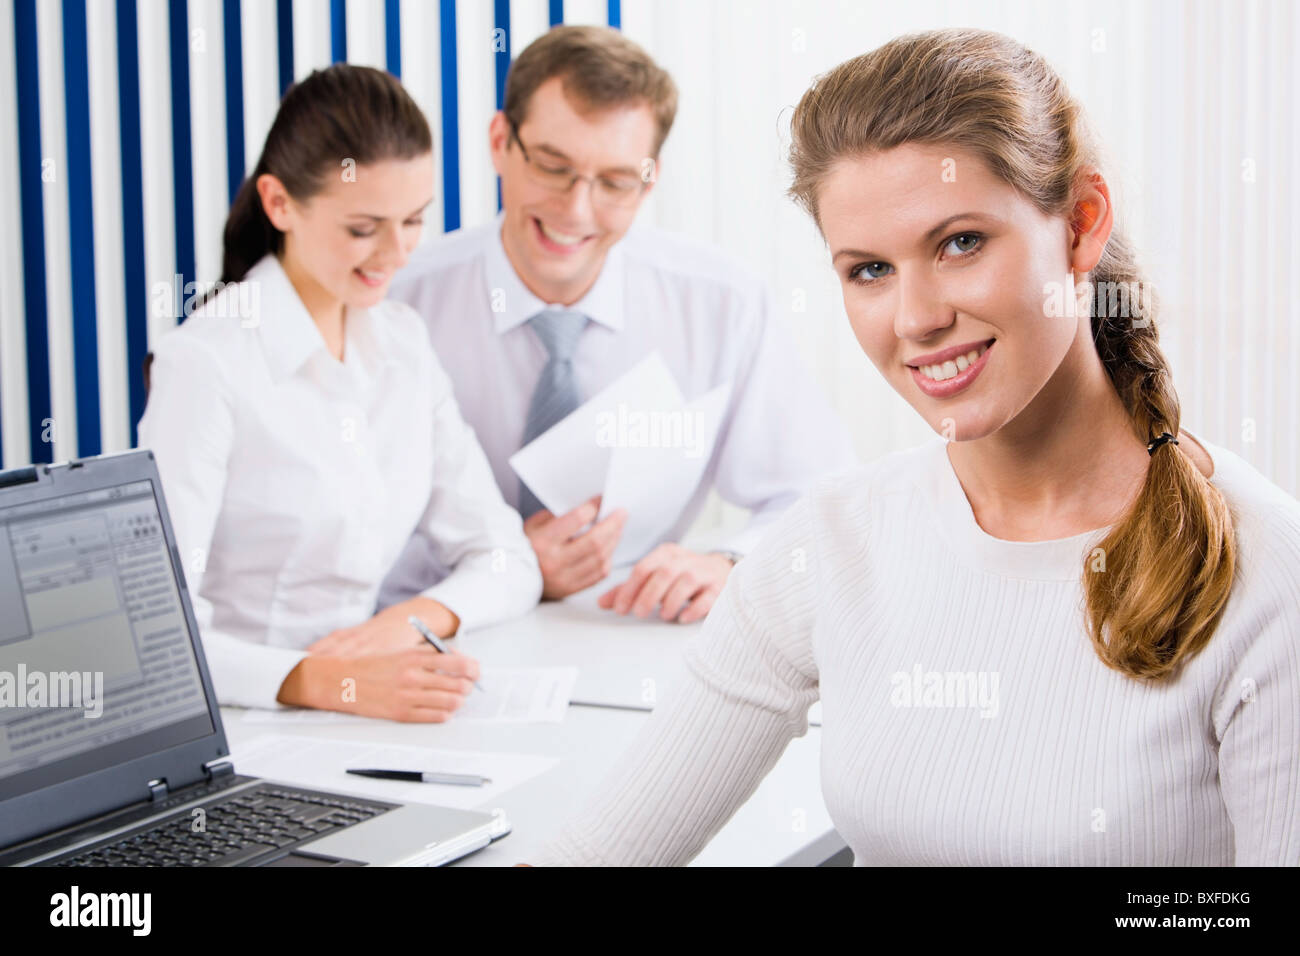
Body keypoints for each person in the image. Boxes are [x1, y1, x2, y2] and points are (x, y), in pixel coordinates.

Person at [526, 28, 1300, 865]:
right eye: (868, 270)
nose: (917, 318)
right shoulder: (832, 542)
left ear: (1081, 225)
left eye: (960, 243)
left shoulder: (1268, 577)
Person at [377, 25, 857, 624]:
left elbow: (818, 493)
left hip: (633, 636)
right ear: (501, 142)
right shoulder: (394, 300)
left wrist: (732, 563)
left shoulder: (719, 303)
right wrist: (506, 568)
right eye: (553, 167)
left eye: (615, 182)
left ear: (649, 180)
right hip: (436, 633)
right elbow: (341, 534)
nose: (576, 210)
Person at [138, 65, 541, 721]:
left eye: (414, 220)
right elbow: (160, 636)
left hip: (366, 713)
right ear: (279, 204)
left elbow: (507, 557)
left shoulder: (402, 342)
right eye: (363, 228)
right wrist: (326, 681)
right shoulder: (206, 364)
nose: (397, 252)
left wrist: (409, 621)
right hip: (237, 724)